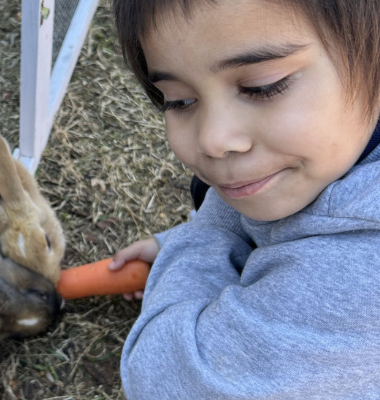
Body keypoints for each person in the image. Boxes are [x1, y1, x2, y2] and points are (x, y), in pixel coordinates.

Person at [107, 0, 380, 398]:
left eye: (262, 86)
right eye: (179, 101)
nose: (212, 141)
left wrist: (197, 244)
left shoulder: (362, 276)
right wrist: (175, 246)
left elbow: (160, 377)